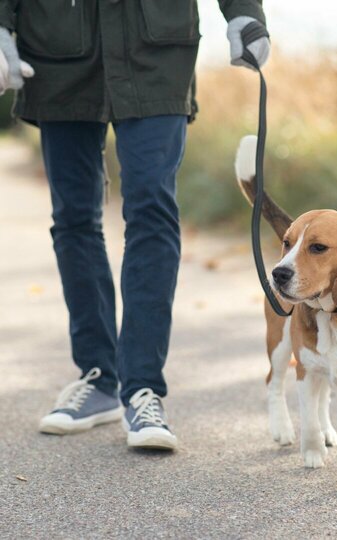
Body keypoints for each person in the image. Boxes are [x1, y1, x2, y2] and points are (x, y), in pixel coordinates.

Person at [0, 1, 270, 450]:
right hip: (56, 49)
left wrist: (244, 13)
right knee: (73, 218)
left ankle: (143, 388)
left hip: (156, 49)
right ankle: (99, 379)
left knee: (150, 207)